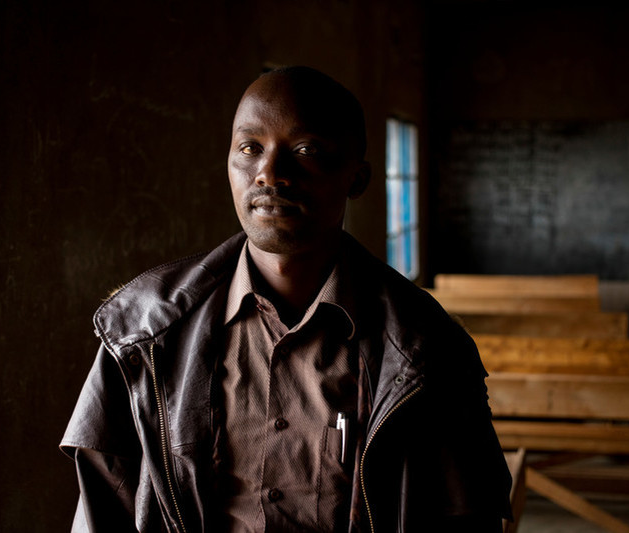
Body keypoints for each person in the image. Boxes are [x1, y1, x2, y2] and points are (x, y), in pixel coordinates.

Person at [60, 66, 512, 532]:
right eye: (250, 148)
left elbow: (465, 517)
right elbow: (102, 509)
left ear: (356, 178)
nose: (270, 174)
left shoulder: (427, 351)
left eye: (306, 151)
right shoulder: (145, 332)